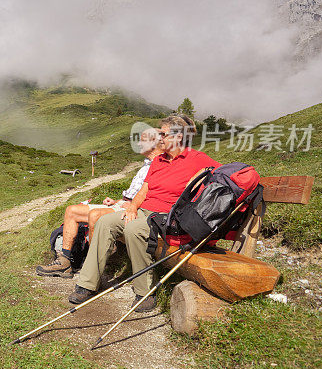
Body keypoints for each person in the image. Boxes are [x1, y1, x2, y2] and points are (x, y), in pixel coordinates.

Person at [68, 115, 219, 312]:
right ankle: (87, 284)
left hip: (169, 217)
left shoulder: (197, 160)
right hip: (145, 210)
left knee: (134, 229)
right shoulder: (159, 161)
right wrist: (132, 207)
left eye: (163, 134)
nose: (159, 138)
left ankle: (145, 290)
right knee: (105, 222)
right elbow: (144, 191)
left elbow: (226, 176)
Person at [36, 126, 164, 278]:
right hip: (123, 204)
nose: (139, 144)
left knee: (95, 215)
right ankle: (64, 263)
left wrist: (134, 206)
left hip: (135, 210)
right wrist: (116, 201)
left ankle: (93, 267)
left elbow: (158, 196)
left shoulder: (162, 165)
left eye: (142, 140)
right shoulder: (146, 164)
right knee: (72, 211)